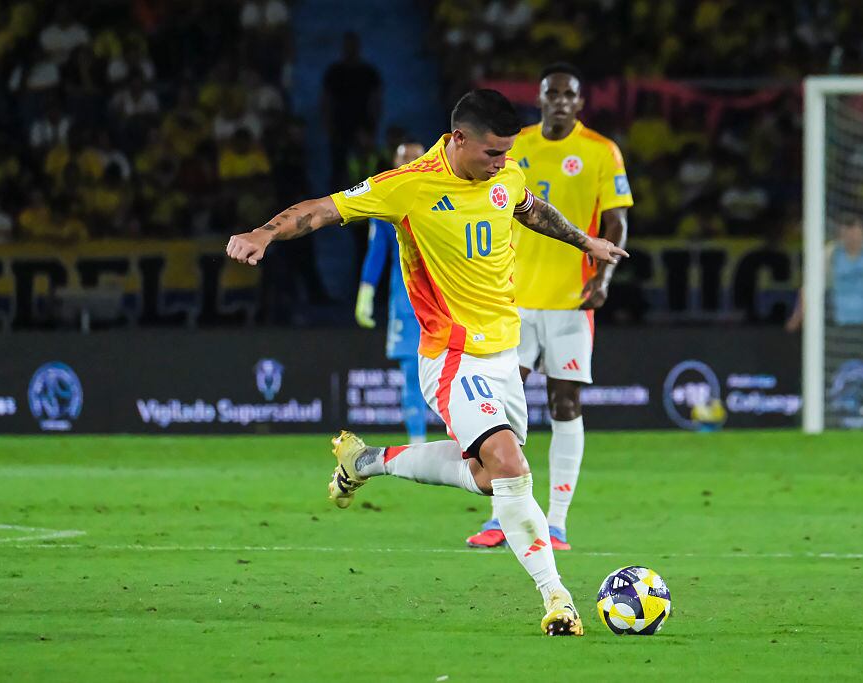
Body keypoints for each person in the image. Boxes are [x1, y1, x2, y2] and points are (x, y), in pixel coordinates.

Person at [226, 89, 628, 636]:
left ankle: (367, 462)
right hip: (451, 355)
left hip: (504, 354)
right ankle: (557, 597)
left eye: (508, 153)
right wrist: (263, 234)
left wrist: (587, 243)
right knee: (511, 469)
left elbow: (529, 207)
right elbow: (322, 210)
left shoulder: (504, 175)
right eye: (492, 154)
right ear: (458, 140)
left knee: (489, 479)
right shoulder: (409, 185)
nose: (502, 164)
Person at [465, 63, 632, 551]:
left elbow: (617, 221)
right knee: (500, 409)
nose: (560, 100)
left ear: (580, 103)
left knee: (565, 403)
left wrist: (603, 277)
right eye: (551, 93)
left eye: (569, 94)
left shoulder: (601, 151)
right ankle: (502, 515)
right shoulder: (515, 146)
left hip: (569, 301)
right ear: (539, 99)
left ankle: (555, 521)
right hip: (511, 299)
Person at [355, 141, 429, 445]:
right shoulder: (386, 200)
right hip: (407, 303)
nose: (410, 163)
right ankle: (418, 441)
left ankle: (468, 439)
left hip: (449, 301)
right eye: (404, 159)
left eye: (416, 158)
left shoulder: (445, 194)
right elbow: (377, 251)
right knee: (412, 373)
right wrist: (366, 292)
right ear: (395, 163)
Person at [786, 213, 863, 332]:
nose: (853, 237)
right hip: (839, 323)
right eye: (848, 232)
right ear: (841, 234)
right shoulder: (830, 252)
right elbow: (810, 288)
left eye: (856, 232)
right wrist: (797, 317)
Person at [320, 32, 381, 189]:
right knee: (339, 170)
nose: (350, 49)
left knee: (365, 171)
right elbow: (326, 101)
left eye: (353, 46)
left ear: (358, 48)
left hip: (363, 127)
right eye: (347, 46)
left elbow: (376, 101)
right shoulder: (334, 72)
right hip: (339, 128)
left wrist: (372, 128)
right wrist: (329, 127)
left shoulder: (368, 73)